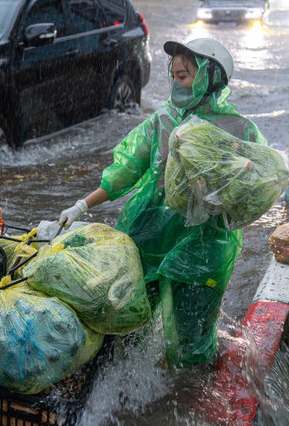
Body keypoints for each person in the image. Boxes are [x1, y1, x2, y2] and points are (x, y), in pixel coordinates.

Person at [58, 38, 266, 367]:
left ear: (209, 78)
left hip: (204, 248)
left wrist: (218, 198)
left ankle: (186, 400)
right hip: (148, 234)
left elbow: (256, 192)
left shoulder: (240, 131)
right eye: (173, 76)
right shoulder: (164, 120)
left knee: (191, 342)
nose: (175, 83)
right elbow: (126, 170)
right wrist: (81, 206)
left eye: (183, 76)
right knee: (127, 324)